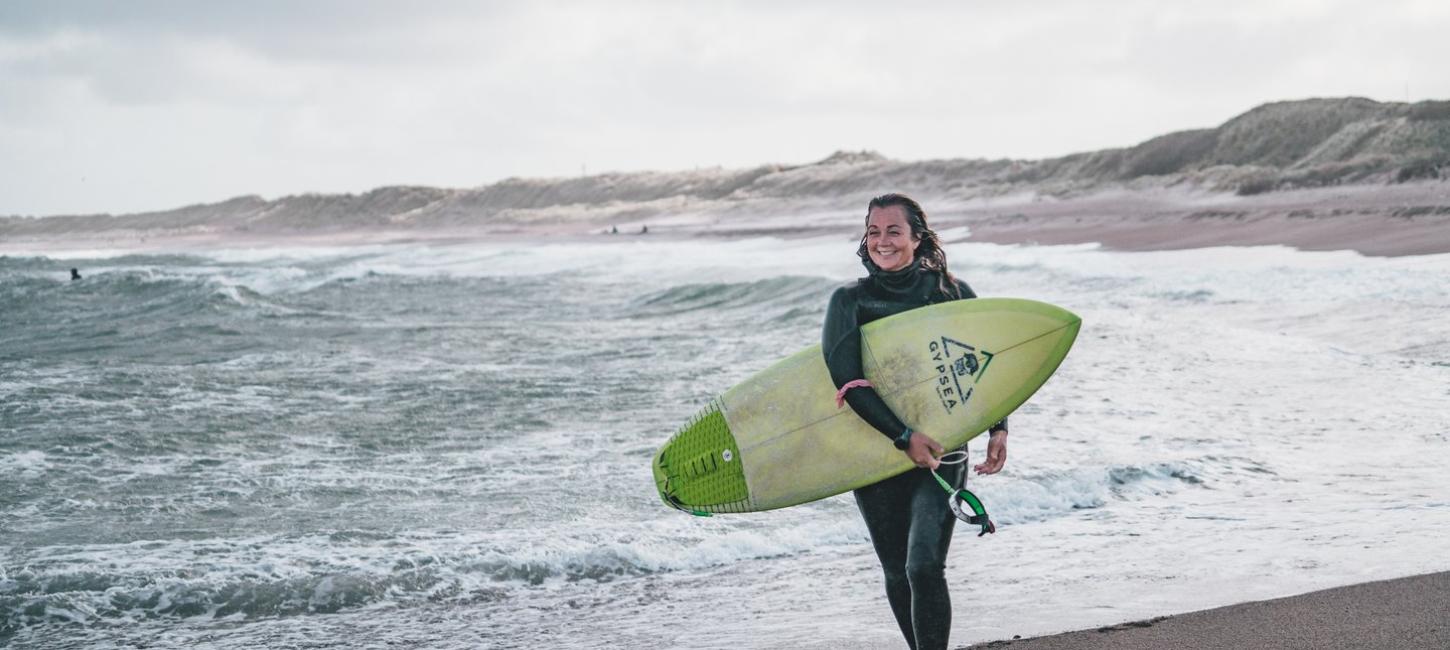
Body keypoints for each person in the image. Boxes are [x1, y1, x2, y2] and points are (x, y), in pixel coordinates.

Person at [821, 193, 1009, 650]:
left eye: (893, 231)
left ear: (917, 237)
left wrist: (999, 428)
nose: (882, 241)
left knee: (923, 564)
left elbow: (985, 367)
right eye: (873, 231)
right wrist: (902, 436)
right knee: (895, 571)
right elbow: (848, 380)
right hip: (876, 450)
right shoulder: (850, 301)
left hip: (943, 448)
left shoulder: (953, 293)